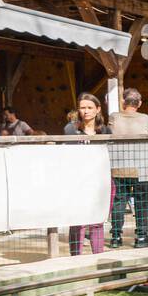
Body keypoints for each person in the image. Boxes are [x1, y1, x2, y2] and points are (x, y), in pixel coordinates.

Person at [108, 88, 148, 248]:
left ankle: (116, 237)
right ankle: (142, 237)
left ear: (123, 102)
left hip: (119, 166)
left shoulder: (114, 117)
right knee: (142, 202)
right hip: (142, 166)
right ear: (139, 103)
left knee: (119, 201)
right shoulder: (145, 118)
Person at [63, 93, 111, 255]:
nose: (86, 111)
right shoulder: (70, 130)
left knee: (97, 220)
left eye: (90, 108)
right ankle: (76, 257)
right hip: (78, 181)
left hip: (100, 180)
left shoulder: (105, 130)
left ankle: (98, 256)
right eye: (82, 108)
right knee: (78, 221)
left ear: (98, 109)